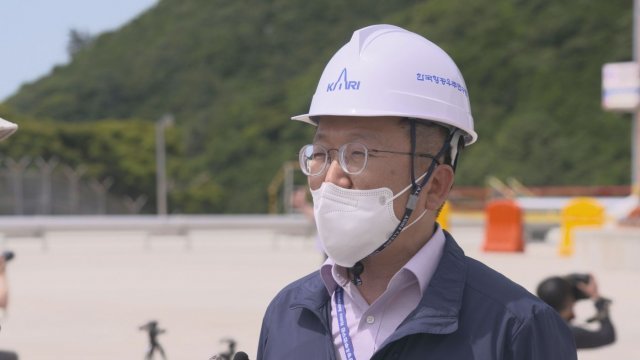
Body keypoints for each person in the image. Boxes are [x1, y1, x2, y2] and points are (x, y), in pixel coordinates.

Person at [257, 24, 576, 359]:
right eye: (320, 154)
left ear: (435, 185)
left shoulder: (516, 330)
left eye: (358, 154)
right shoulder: (288, 314)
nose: (332, 177)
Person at [537, 273, 615, 349]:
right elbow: (607, 336)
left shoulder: (535, 326)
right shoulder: (566, 333)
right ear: (569, 301)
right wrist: (597, 298)